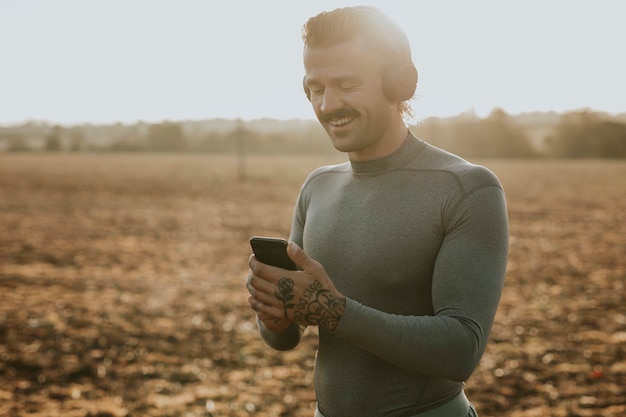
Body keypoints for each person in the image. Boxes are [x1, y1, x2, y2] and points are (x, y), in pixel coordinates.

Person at [246, 6, 509, 417]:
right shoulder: (317, 187)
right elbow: (284, 338)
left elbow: (461, 349)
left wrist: (335, 311)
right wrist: (275, 312)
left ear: (398, 82)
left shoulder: (467, 189)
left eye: (346, 84)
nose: (328, 104)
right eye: (315, 87)